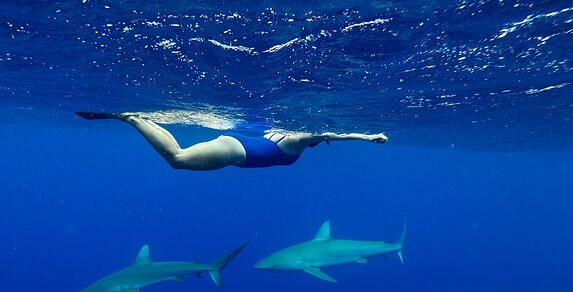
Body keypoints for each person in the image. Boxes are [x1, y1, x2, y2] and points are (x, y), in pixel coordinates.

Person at [75, 111, 388, 171]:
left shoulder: (289, 136)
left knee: (179, 159)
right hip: (235, 150)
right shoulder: (300, 140)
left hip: (236, 148)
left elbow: (329, 137)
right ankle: (133, 119)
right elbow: (334, 136)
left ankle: (142, 120)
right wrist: (368, 137)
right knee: (178, 160)